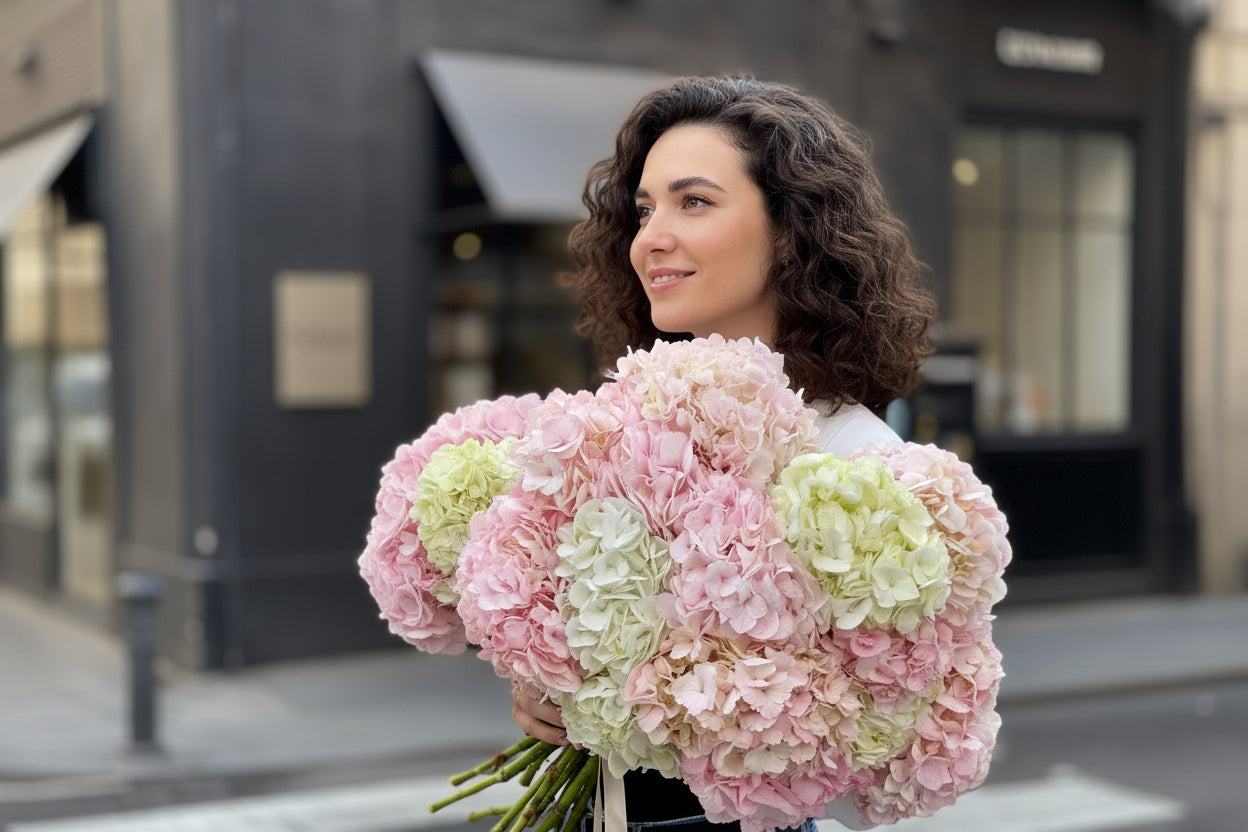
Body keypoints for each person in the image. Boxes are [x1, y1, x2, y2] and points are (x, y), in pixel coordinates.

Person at [511, 75, 937, 832]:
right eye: (644, 210)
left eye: (694, 202)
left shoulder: (851, 466)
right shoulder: (626, 419)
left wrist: (670, 707)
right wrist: (550, 675)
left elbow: (879, 732)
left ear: (790, 230)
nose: (651, 237)